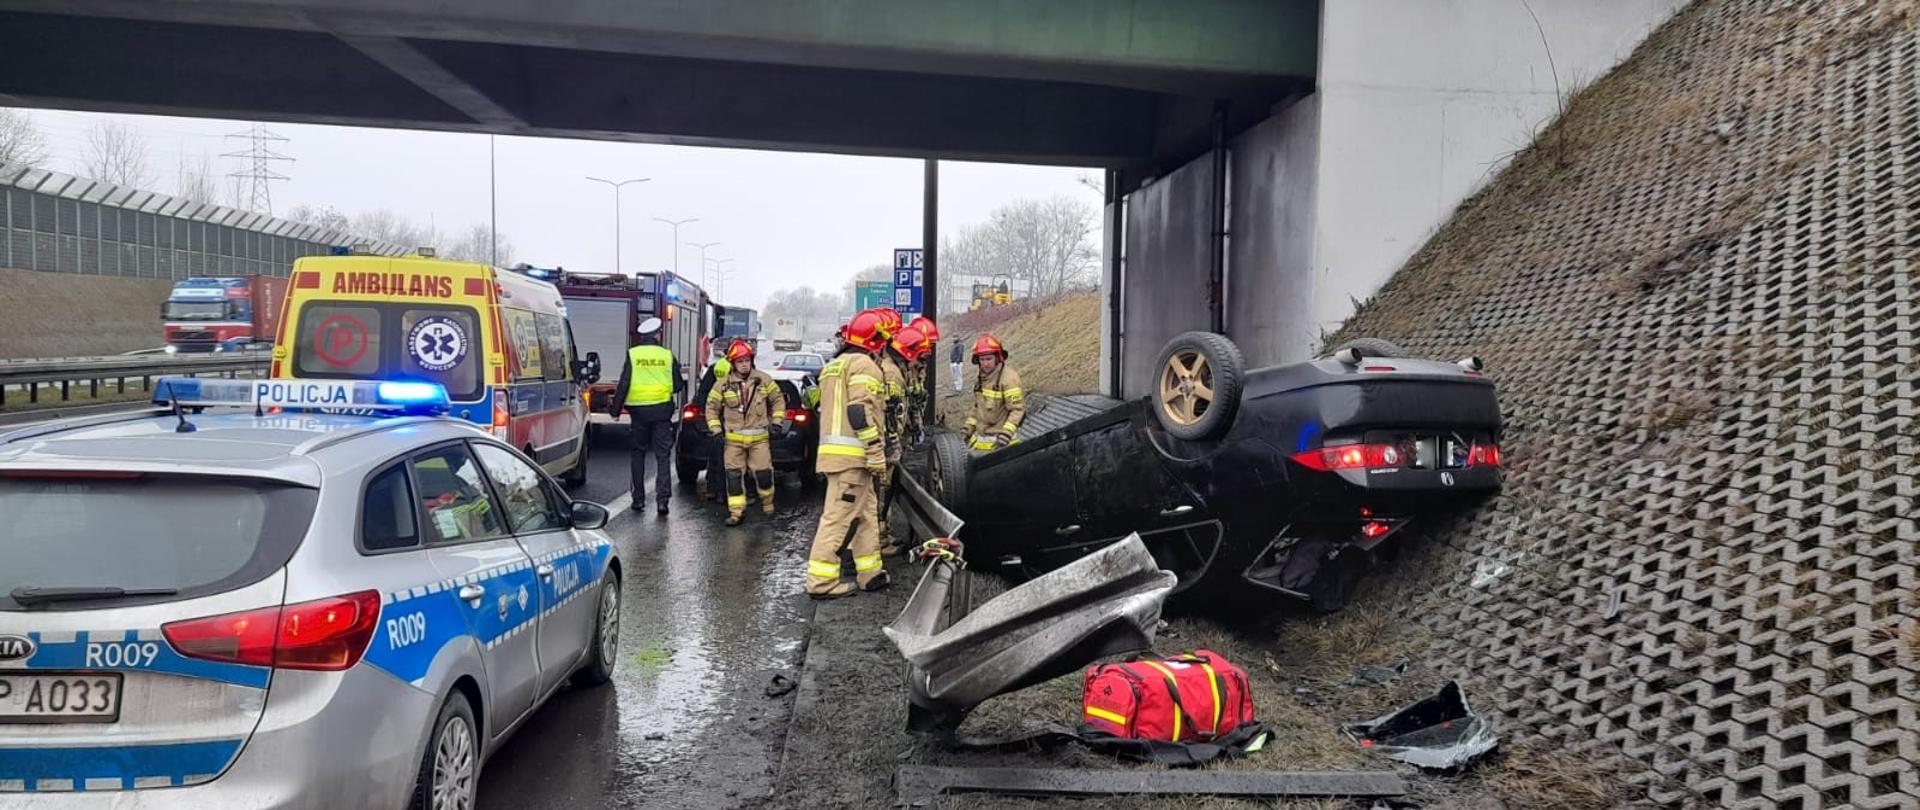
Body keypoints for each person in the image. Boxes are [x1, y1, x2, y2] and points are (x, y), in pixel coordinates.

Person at [804, 309, 891, 599]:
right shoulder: (865, 366)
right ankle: (821, 582)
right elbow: (859, 410)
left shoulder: (835, 365)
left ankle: (870, 573)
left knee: (865, 514)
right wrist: (875, 448)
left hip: (838, 455)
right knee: (839, 518)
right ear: (875, 341)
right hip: (854, 456)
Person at [706, 339, 789, 526]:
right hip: (733, 441)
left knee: (764, 475)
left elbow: (778, 401)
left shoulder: (764, 380)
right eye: (740, 361)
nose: (744, 365)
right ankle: (736, 513)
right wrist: (716, 431)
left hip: (759, 440)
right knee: (734, 478)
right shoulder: (723, 385)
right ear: (733, 363)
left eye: (747, 360)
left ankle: (768, 506)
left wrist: (776, 423)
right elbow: (711, 408)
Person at [608, 317, 684, 514]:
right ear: (657, 335)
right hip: (661, 412)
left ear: (643, 336)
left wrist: (615, 411)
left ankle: (638, 499)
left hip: (638, 413)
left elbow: (624, 383)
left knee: (638, 454)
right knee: (663, 456)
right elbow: (677, 385)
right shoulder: (667, 355)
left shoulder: (633, 354)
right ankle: (662, 501)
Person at [964, 332, 1025, 451]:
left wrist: (1006, 434)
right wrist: (967, 429)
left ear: (998, 357)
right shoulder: (982, 378)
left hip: (1004, 445)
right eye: (982, 359)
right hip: (982, 442)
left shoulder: (1009, 379)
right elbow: (978, 408)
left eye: (989, 359)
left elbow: (1017, 410)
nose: (985, 363)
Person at [692, 355, 731, 502]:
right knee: (725, 457)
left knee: (715, 454)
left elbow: (702, 393)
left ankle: (713, 489)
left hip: (713, 417)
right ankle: (722, 492)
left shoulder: (716, 367)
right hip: (730, 419)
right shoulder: (740, 368)